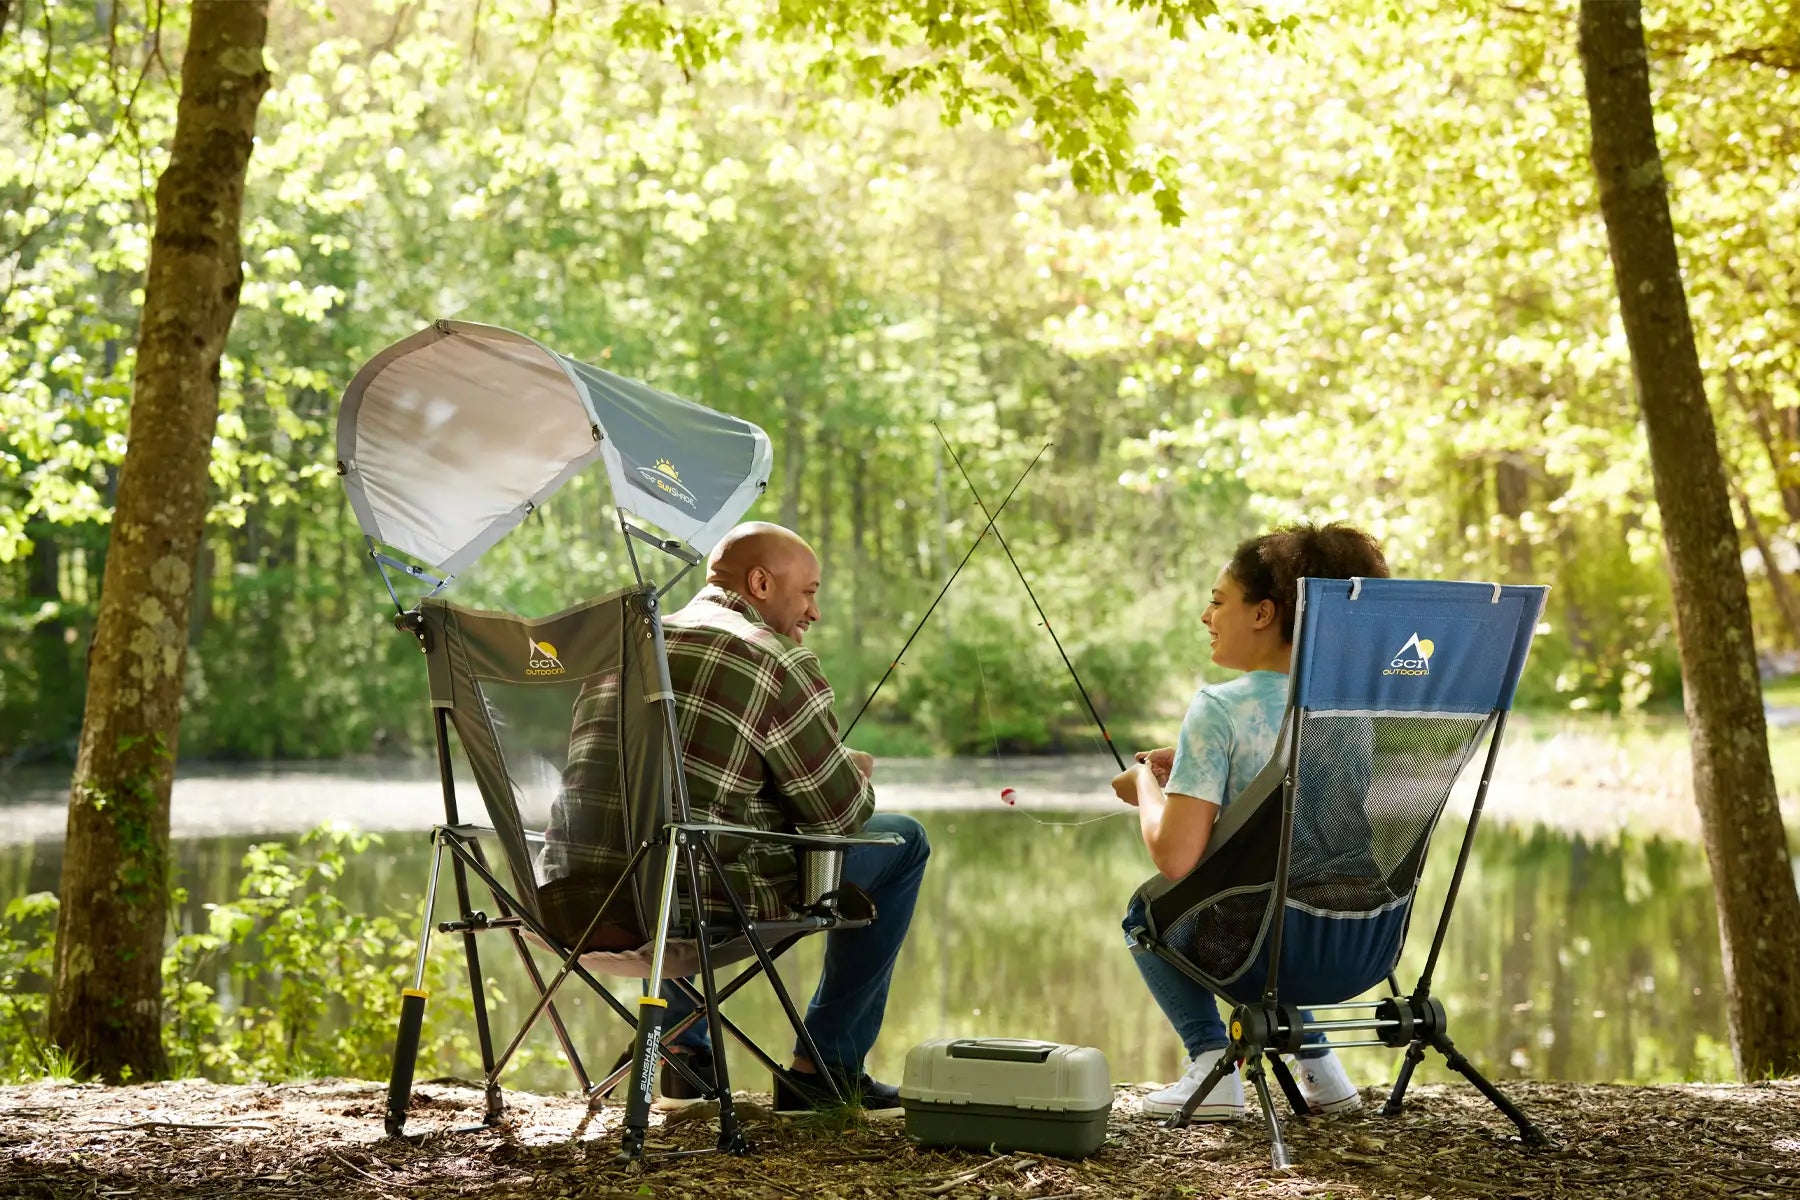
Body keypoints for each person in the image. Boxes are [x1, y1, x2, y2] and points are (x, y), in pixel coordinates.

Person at [622, 521, 928, 1114]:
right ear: (760, 583)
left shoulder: (631, 645)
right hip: (711, 906)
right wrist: (853, 769)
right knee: (905, 840)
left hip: (594, 900)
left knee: (675, 839)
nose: (814, 611)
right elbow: (837, 816)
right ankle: (825, 1067)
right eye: (809, 591)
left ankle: (685, 1058)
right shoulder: (772, 656)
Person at [1112, 521, 1389, 1121]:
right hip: (1358, 938)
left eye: (1218, 602)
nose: (1205, 617)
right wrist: (1188, 766)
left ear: (1263, 614)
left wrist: (1142, 783)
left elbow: (1175, 857)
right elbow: (1295, 804)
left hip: (1260, 949)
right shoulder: (1347, 709)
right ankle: (1321, 1067)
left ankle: (1213, 1064)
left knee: (1148, 912)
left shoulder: (1218, 708)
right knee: (1288, 886)